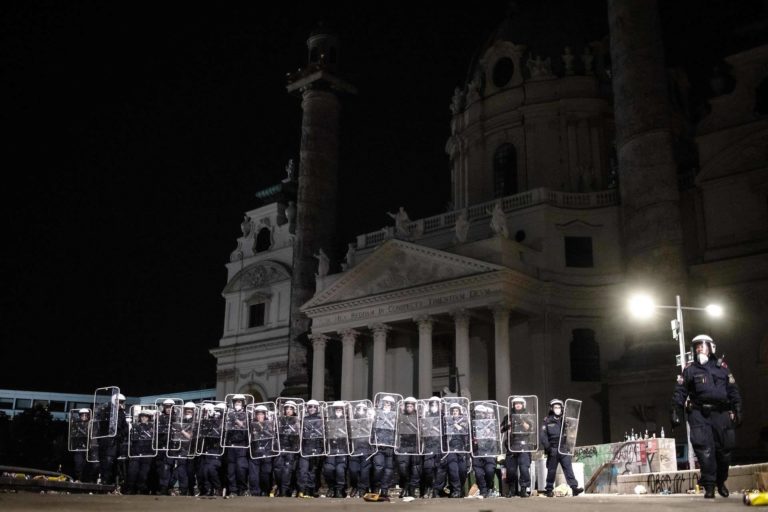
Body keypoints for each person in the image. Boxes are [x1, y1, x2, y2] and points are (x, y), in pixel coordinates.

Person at [671, 334, 742, 499]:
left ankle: (720, 481)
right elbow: (679, 392)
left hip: (721, 414)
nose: (699, 348)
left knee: (724, 451)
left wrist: (737, 408)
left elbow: (733, 390)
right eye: (697, 346)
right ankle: (709, 486)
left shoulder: (722, 367)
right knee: (705, 450)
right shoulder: (690, 369)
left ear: (711, 348)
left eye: (703, 345)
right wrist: (675, 412)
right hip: (699, 414)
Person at [540, 399, 583, 497]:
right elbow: (543, 436)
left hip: (563, 448)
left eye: (559, 407)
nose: (557, 409)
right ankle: (549, 489)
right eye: (555, 407)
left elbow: (572, 432)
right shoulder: (547, 421)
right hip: (553, 449)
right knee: (551, 470)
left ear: (562, 408)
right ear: (551, 408)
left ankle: (574, 488)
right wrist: (548, 447)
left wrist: (570, 444)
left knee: (568, 469)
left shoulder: (565, 420)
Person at [503, 396, 533, 497]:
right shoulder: (508, 416)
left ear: (523, 404)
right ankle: (512, 489)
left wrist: (521, 420)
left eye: (520, 403)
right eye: (516, 403)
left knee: (524, 468)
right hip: (512, 445)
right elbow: (501, 428)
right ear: (513, 405)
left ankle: (523, 489)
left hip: (524, 444)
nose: (518, 405)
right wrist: (507, 425)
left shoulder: (528, 416)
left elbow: (530, 428)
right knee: (511, 469)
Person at [297, 399, 324, 498]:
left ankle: (310, 490)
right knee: (303, 470)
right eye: (310, 407)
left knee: (312, 471)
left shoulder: (321, 420)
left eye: (314, 407)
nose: (312, 409)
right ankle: (301, 490)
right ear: (307, 408)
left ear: (317, 408)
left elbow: (322, 436)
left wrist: (321, 449)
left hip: (316, 447)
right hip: (305, 447)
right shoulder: (303, 419)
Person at [395, 397, 421, 498]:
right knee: (402, 468)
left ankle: (411, 489)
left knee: (415, 468)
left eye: (411, 406)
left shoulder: (419, 417)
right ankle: (405, 485)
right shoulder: (401, 416)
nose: (409, 408)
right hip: (404, 444)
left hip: (415, 444)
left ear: (414, 407)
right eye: (408, 406)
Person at [471, 404, 498, 498]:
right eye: (477, 413)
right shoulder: (471, 425)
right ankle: (483, 490)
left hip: (489, 451)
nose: (480, 414)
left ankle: (489, 487)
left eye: (482, 413)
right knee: (478, 473)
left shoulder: (491, 424)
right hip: (477, 452)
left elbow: (497, 437)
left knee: (490, 471)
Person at [323, 401, 349, 498]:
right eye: (337, 408)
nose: (338, 410)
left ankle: (339, 489)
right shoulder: (329, 420)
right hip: (332, 448)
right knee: (328, 469)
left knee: (340, 469)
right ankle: (331, 487)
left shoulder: (347, 420)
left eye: (340, 408)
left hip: (342, 449)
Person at [225, 394, 250, 496]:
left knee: (241, 468)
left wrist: (236, 420)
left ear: (243, 403)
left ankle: (242, 488)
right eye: (236, 402)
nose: (237, 404)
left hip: (242, 445)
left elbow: (246, 427)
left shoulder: (247, 415)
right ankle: (233, 490)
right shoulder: (229, 415)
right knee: (231, 470)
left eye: (239, 402)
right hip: (231, 444)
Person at [274, 400, 300, 497]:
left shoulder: (297, 420)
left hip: (291, 448)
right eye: (287, 409)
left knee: (287, 470)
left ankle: (284, 490)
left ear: (294, 410)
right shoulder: (280, 420)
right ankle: (279, 487)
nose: (288, 410)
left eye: (290, 409)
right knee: (277, 469)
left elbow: (298, 435)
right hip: (280, 447)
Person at [248, 404, 275, 496]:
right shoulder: (251, 425)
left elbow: (272, 436)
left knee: (266, 473)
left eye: (262, 414)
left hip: (267, 452)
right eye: (258, 414)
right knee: (253, 474)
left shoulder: (270, 424)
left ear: (265, 415)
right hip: (255, 452)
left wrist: (263, 429)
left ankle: (265, 490)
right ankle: (255, 491)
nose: (260, 416)